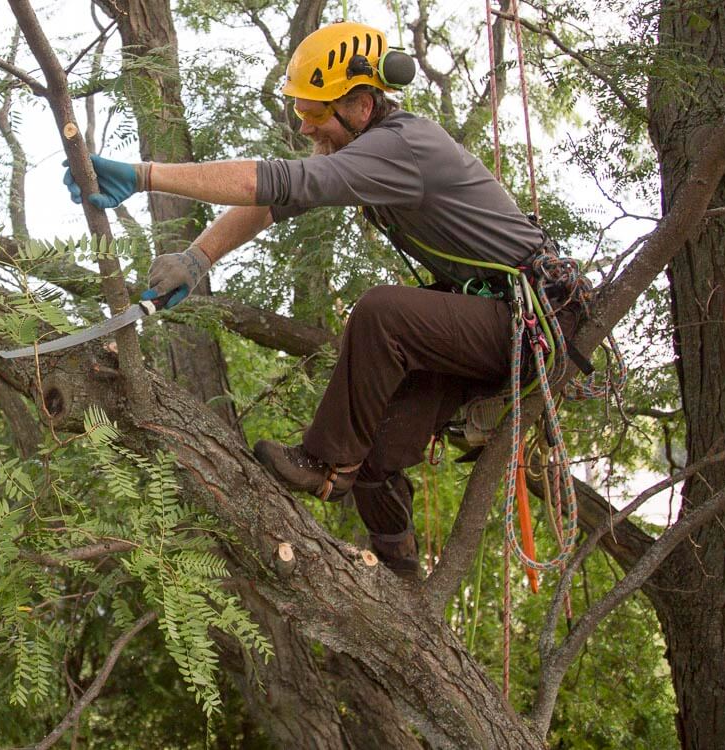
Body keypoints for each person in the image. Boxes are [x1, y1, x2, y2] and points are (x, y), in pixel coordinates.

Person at [63, 22, 578, 577]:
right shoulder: (373, 147)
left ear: (359, 104)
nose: (304, 124)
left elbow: (281, 183)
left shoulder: (402, 145)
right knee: (375, 451)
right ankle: (398, 572)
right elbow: (272, 202)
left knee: (384, 312)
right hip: (497, 324)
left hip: (535, 323)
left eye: (314, 112)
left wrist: (145, 175)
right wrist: (198, 258)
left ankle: (320, 462)